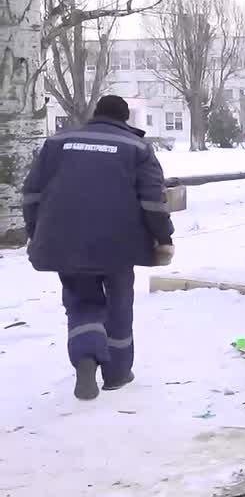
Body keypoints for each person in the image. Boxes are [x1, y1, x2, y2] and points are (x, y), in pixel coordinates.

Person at [22, 95, 175, 400]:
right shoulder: (136, 148)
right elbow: (153, 202)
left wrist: (35, 231)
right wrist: (164, 237)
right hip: (119, 243)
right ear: (125, 119)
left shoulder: (57, 144)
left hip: (64, 239)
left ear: (96, 114)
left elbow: (31, 193)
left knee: (81, 300)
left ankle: (86, 358)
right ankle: (117, 373)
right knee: (119, 302)